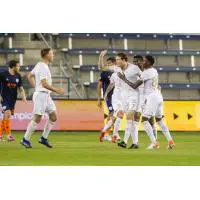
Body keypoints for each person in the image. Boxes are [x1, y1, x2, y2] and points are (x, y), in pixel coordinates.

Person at [118, 55, 175, 149]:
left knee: (144, 119)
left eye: (144, 61)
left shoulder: (146, 73)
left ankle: (154, 142)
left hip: (152, 97)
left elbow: (134, 86)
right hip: (158, 96)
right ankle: (170, 141)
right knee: (159, 120)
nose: (142, 63)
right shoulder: (154, 70)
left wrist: (123, 78)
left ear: (149, 63)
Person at [20, 48, 64, 148]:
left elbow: (30, 75)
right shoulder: (43, 67)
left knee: (53, 117)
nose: (53, 55)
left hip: (45, 95)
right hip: (41, 95)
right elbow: (44, 84)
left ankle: (43, 138)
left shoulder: (39, 65)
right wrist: (56, 90)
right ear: (47, 55)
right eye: (51, 53)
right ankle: (25, 139)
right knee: (37, 118)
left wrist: (35, 86)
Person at [99, 51, 142, 148]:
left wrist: (144, 90)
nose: (116, 61)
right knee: (130, 119)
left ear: (124, 60)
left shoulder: (134, 68)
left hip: (134, 96)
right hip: (123, 97)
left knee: (128, 117)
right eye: (116, 59)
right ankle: (134, 143)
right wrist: (101, 56)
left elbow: (143, 77)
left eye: (118, 59)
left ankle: (123, 140)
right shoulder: (116, 69)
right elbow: (102, 68)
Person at [0, 60, 26, 142]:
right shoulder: (3, 74)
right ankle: (9, 135)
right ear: (13, 67)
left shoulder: (18, 76)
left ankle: (0, 135)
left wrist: (23, 97)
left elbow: (21, 88)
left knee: (7, 116)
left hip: (12, 100)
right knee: (7, 113)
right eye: (18, 66)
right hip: (4, 98)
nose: (19, 68)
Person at [97, 55, 116, 142]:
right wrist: (99, 98)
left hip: (118, 97)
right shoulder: (105, 73)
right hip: (109, 96)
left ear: (114, 64)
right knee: (112, 113)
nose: (107, 65)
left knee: (115, 115)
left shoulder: (117, 71)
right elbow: (99, 85)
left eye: (109, 63)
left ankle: (113, 134)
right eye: (107, 63)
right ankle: (107, 134)